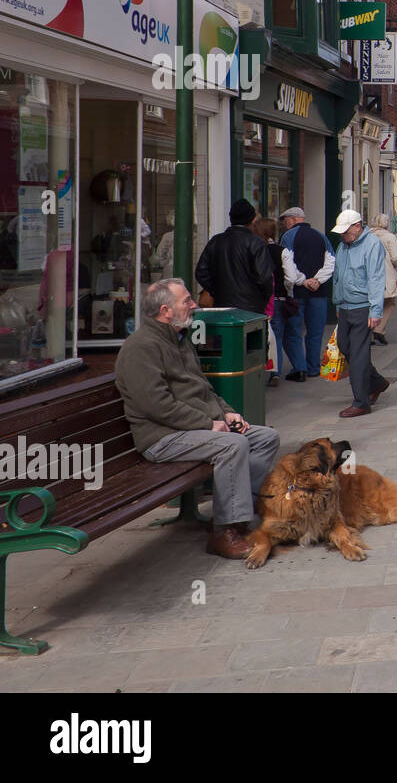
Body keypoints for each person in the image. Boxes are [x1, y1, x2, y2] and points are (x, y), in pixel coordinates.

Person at [115, 278, 280, 560]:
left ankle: (238, 515)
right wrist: (207, 424)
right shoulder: (141, 347)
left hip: (191, 427)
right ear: (166, 310)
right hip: (162, 436)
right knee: (232, 445)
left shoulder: (179, 339)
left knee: (266, 437)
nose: (195, 305)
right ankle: (224, 532)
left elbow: (204, 390)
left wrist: (226, 413)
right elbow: (157, 405)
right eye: (187, 301)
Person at [330, 209, 390, 418]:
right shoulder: (342, 245)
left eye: (346, 231)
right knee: (345, 347)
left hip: (362, 307)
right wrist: (338, 304)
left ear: (357, 226)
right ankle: (377, 382)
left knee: (358, 355)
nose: (342, 235)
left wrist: (375, 310)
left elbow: (376, 279)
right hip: (345, 306)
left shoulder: (372, 245)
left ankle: (361, 402)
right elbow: (338, 276)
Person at [279, 206, 335, 377]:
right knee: (315, 332)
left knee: (293, 331)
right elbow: (331, 260)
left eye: (285, 220)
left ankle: (300, 368)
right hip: (319, 293)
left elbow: (287, 264)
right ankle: (314, 368)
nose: (284, 224)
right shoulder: (321, 236)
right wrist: (317, 280)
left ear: (292, 219)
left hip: (297, 293)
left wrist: (303, 281)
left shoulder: (287, 236)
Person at [195, 198, 274, 315]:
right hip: (251, 308)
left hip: (222, 305)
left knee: (225, 333)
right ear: (252, 220)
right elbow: (264, 278)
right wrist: (261, 298)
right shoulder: (256, 243)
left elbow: (201, 272)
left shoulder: (216, 241)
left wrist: (216, 290)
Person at [252, 217, 284, 387]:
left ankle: (264, 372)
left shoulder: (258, 250)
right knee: (273, 338)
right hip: (272, 302)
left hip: (260, 304)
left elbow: (267, 281)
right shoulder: (279, 250)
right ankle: (274, 372)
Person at [369, 213, 397, 345]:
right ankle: (378, 329)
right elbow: (396, 257)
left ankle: (370, 334)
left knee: (370, 303)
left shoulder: (367, 235)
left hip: (369, 273)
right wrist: (394, 265)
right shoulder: (389, 237)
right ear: (387, 223)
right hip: (386, 273)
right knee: (389, 302)